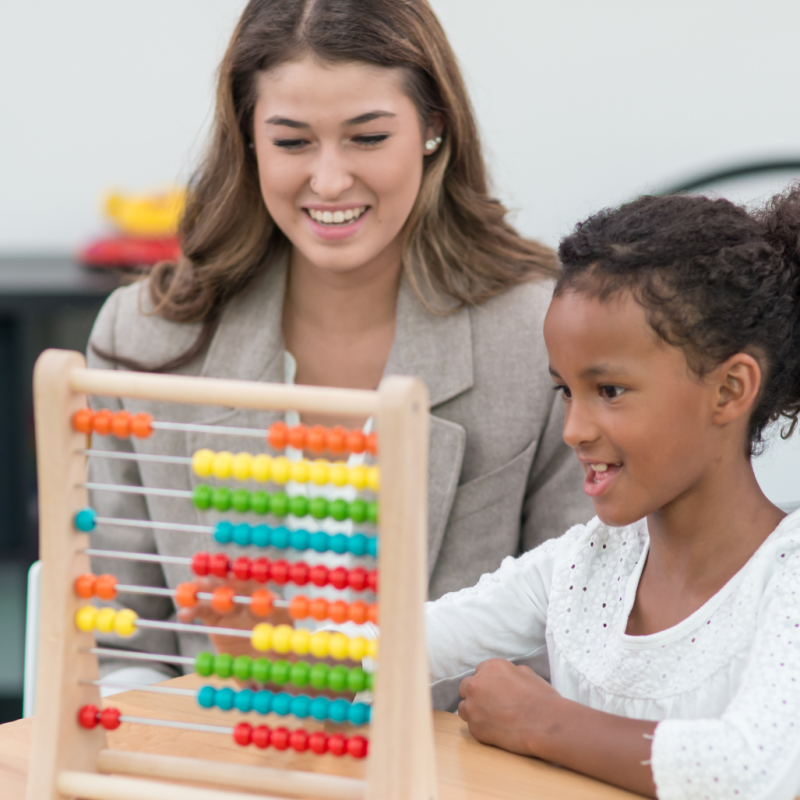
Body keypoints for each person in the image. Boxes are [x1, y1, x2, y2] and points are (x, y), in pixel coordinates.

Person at [86, 0, 592, 691]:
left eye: (366, 138)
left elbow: (578, 643)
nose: (328, 181)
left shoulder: (536, 338)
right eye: (293, 142)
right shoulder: (142, 337)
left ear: (432, 128)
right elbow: (120, 643)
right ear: (249, 138)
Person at [426, 187, 800, 798]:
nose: (574, 429)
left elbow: (746, 769)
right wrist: (277, 636)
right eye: (565, 392)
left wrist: (542, 722)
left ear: (731, 389)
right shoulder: (581, 567)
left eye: (611, 391)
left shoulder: (787, 579)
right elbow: (405, 642)